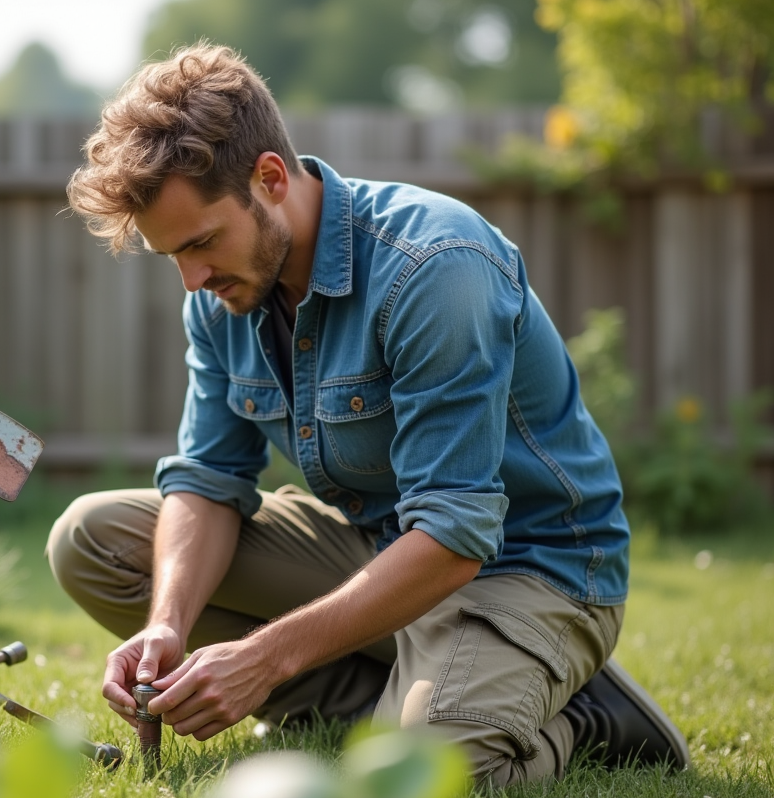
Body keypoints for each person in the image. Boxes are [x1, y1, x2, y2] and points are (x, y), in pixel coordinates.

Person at [48, 43, 688, 786]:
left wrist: (265, 658)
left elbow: (455, 536)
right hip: (382, 546)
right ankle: (398, 698)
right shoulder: (223, 294)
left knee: (416, 778)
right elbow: (208, 479)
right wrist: (167, 623)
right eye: (172, 258)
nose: (192, 280)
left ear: (270, 178)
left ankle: (581, 717)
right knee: (92, 541)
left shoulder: (435, 268)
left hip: (528, 568)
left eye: (201, 244)